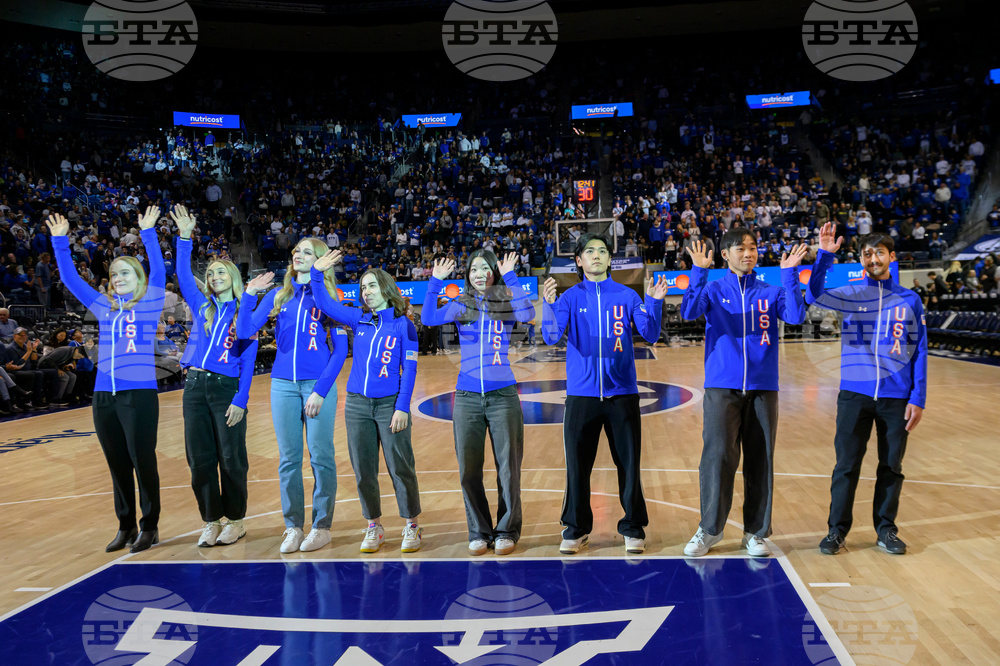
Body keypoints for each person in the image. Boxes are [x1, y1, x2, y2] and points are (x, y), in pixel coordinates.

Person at [679, 231, 808, 558]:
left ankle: (756, 532)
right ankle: (710, 529)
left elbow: (796, 316)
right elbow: (689, 312)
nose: (748, 253)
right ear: (725, 254)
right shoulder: (713, 289)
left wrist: (790, 274)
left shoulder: (771, 290)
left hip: (764, 387)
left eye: (752, 248)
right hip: (722, 386)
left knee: (760, 460)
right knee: (717, 457)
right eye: (741, 248)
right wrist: (698, 271)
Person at [46, 207, 165, 553]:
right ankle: (126, 525)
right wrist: (60, 242)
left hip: (138, 394)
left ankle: (150, 525)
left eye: (125, 272)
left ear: (138, 277)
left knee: (142, 461)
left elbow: (159, 269)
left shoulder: (150, 301)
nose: (118, 277)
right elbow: (70, 279)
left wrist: (148, 234)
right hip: (104, 396)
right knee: (117, 464)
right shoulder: (103, 305)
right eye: (114, 273)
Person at [540, 234, 668, 554]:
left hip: (622, 394)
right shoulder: (569, 298)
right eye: (589, 251)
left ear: (610, 259)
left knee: (629, 465)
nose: (596, 255)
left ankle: (633, 526)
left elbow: (651, 334)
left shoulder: (627, 295)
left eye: (602, 251)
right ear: (579, 260)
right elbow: (551, 337)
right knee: (577, 468)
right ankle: (576, 528)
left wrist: (654, 301)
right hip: (581, 396)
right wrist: (549, 305)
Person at [807, 223, 927, 556]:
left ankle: (886, 530)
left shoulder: (910, 299)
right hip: (854, 395)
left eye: (879, 253)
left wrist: (918, 397)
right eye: (867, 254)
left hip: (896, 396)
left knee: (891, 466)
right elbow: (812, 295)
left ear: (891, 257)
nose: (873, 259)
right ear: (861, 259)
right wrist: (824, 256)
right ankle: (836, 530)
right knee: (846, 465)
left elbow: (920, 350)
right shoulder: (850, 295)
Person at [237, 238, 348, 554]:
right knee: (288, 460)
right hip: (282, 385)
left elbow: (340, 350)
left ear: (322, 261)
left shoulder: (330, 297)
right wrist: (249, 295)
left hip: (318, 385)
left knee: (321, 456)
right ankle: (293, 527)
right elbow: (244, 331)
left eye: (308, 252)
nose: (299, 254)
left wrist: (320, 391)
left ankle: (321, 527)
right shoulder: (278, 295)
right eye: (297, 250)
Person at [421, 251, 533, 556]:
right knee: (469, 471)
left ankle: (506, 531)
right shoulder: (462, 304)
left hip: (503, 397)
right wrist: (435, 282)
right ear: (468, 275)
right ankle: (479, 531)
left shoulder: (507, 302)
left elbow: (527, 315)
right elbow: (428, 318)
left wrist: (511, 276)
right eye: (474, 269)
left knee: (508, 470)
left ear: (494, 273)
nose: (479, 273)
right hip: (467, 398)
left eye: (485, 268)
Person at [310, 250, 423, 553]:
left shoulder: (404, 325)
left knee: (400, 467)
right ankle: (374, 526)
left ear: (385, 288)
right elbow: (324, 303)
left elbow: (410, 369)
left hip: (390, 405)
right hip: (357, 406)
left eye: (372, 285)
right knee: (363, 470)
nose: (367, 292)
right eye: (363, 287)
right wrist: (317, 274)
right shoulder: (358, 319)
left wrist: (402, 407)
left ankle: (412, 525)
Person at [173, 205, 259, 548]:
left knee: (232, 458)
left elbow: (249, 360)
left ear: (233, 277)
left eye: (221, 272)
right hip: (194, 387)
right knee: (200, 459)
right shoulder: (202, 306)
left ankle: (236, 520)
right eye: (210, 273)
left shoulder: (245, 311)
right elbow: (183, 274)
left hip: (227, 389)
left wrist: (241, 398)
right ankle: (211, 519)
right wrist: (184, 237)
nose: (214, 277)